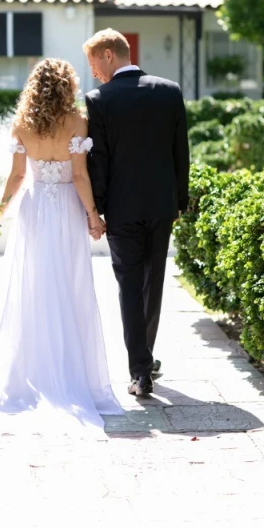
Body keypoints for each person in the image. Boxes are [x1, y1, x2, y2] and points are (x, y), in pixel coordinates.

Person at [0, 58, 122, 439]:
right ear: (67, 85)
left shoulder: (22, 122)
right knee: (69, 286)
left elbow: (17, 176)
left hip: (35, 208)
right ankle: (72, 376)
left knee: (35, 289)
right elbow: (78, 174)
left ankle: (33, 373)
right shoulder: (77, 121)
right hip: (67, 210)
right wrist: (93, 215)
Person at [83, 28, 190, 398]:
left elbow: (99, 162)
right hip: (162, 205)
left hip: (123, 209)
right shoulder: (170, 91)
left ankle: (140, 370)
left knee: (129, 286)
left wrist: (96, 209)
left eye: (94, 61)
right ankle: (145, 357)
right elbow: (182, 152)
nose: (93, 70)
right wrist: (179, 201)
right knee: (152, 283)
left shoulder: (98, 99)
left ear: (109, 55)